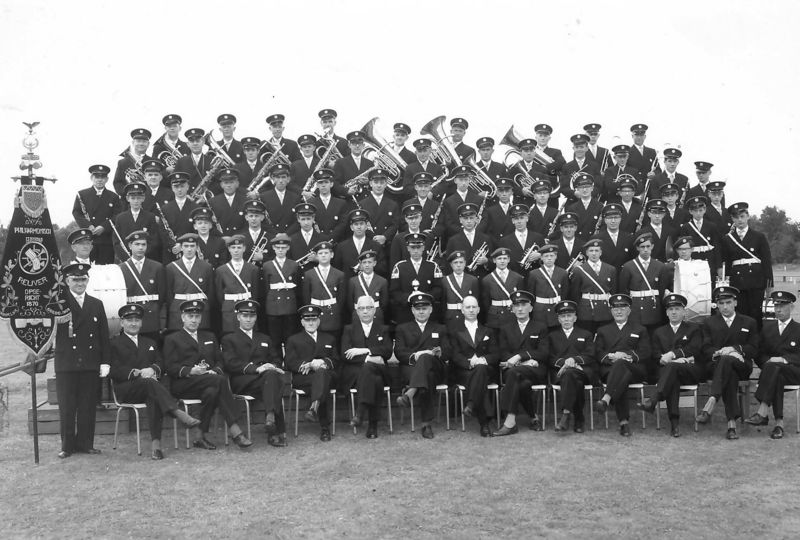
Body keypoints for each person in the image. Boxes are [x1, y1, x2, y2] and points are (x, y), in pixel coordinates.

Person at [109, 304, 201, 460]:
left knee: (153, 395)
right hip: (127, 389)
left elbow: (161, 362)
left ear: (141, 323)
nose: (133, 323)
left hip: (149, 389)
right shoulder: (113, 343)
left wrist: (152, 369)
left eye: (137, 320)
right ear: (122, 323)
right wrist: (137, 373)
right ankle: (177, 412)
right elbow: (113, 369)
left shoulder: (150, 342)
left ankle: (156, 446)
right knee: (150, 384)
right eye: (129, 320)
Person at [164, 300, 252, 449]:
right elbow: (170, 367)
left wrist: (214, 371)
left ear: (201, 318)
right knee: (219, 381)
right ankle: (235, 429)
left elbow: (220, 361)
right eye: (190, 316)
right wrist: (191, 371)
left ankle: (199, 436)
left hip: (210, 381)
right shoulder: (172, 339)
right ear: (183, 317)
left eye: (197, 316)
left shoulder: (209, 336)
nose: (194, 320)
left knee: (212, 392)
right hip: (184, 384)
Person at [53, 263, 110, 459]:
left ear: (88, 280)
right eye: (75, 279)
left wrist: (105, 362)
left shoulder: (96, 304)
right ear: (67, 281)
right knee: (67, 407)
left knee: (87, 406)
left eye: (83, 279)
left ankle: (86, 444)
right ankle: (67, 446)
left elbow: (103, 336)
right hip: (67, 363)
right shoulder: (58, 303)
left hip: (90, 362)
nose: (80, 283)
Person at [221, 300, 288, 447]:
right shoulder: (229, 339)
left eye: (251, 316)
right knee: (273, 381)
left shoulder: (264, 338)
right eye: (245, 316)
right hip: (242, 380)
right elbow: (230, 363)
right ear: (238, 317)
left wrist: (272, 366)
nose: (248, 319)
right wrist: (257, 368)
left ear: (256, 317)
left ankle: (271, 420)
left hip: (264, 380)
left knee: (272, 377)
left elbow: (276, 359)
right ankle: (275, 429)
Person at [637, 294, 704, 437]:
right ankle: (674, 424)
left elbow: (695, 349)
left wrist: (673, 355)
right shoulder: (659, 332)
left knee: (671, 369)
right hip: (667, 372)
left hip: (689, 371)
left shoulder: (694, 328)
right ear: (666, 313)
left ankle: (654, 400)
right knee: (672, 376)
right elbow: (655, 354)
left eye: (677, 309)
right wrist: (664, 360)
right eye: (671, 309)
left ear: (684, 312)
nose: (674, 312)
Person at [696, 285, 759, 439]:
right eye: (721, 303)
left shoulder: (749, 322)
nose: (725, 307)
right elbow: (705, 348)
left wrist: (734, 349)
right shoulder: (709, 322)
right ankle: (731, 425)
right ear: (717, 305)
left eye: (728, 302)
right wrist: (720, 353)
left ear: (735, 303)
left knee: (728, 362)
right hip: (717, 364)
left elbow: (754, 348)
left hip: (741, 365)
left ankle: (712, 400)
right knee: (728, 371)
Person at [394, 292, 451, 439]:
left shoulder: (440, 328)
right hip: (411, 369)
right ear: (412, 311)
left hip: (436, 368)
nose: (421, 312)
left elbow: (447, 352)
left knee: (427, 359)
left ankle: (410, 393)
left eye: (424, 308)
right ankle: (426, 424)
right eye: (418, 309)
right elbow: (399, 352)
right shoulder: (402, 328)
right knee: (427, 376)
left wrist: (434, 353)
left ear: (430, 310)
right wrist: (416, 355)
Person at [594, 294, 651, 436]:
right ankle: (624, 422)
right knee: (621, 377)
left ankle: (607, 398)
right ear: (611, 311)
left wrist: (626, 356)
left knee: (621, 368)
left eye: (623, 308)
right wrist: (612, 357)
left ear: (629, 311)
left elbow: (645, 351)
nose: (619, 311)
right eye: (615, 309)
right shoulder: (603, 330)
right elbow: (598, 352)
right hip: (610, 368)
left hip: (634, 368)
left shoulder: (640, 329)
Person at [493, 291, 550, 436]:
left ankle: (509, 421)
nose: (520, 309)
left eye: (524, 305)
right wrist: (523, 362)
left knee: (514, 374)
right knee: (521, 384)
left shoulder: (541, 327)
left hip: (535, 370)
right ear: (512, 309)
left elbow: (544, 353)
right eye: (516, 305)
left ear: (531, 308)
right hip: (514, 369)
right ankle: (532, 417)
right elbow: (503, 353)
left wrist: (520, 356)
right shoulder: (505, 328)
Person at [745, 291, 800, 439]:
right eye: (776, 306)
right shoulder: (767, 328)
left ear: (792, 307)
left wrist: (783, 359)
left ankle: (762, 412)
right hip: (773, 373)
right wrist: (768, 363)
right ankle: (779, 424)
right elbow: (759, 353)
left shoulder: (798, 329)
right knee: (776, 375)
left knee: (775, 367)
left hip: (794, 371)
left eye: (783, 306)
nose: (779, 310)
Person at [284, 305, 340, 441]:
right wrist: (309, 365)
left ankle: (314, 407)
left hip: (326, 375)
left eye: (314, 320)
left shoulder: (329, 338)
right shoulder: (293, 339)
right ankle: (324, 427)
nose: (310, 323)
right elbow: (289, 363)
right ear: (302, 322)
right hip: (304, 377)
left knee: (322, 375)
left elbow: (336, 360)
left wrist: (322, 362)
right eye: (307, 320)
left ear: (319, 321)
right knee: (322, 381)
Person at [340, 296, 393, 438]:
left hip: (379, 370)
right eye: (361, 308)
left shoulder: (383, 329)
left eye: (368, 308)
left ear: (374, 310)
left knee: (370, 372)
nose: (365, 311)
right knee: (375, 380)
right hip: (356, 375)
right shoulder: (349, 329)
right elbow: (345, 354)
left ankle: (360, 413)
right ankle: (372, 425)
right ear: (357, 311)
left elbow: (387, 351)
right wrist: (371, 357)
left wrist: (364, 350)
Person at [449, 296, 499, 437]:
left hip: (486, 369)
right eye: (468, 307)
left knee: (481, 370)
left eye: (473, 307)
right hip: (464, 371)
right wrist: (470, 363)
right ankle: (484, 423)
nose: (471, 310)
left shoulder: (488, 331)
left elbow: (496, 353)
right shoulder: (454, 331)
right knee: (479, 376)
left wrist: (483, 359)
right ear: (462, 310)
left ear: (478, 309)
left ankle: (471, 404)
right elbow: (454, 354)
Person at [548, 299, 596, 433]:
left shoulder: (586, 334)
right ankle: (579, 418)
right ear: (558, 319)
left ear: (575, 318)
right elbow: (549, 357)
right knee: (574, 380)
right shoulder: (552, 336)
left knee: (571, 375)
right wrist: (565, 364)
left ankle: (566, 415)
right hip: (560, 372)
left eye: (569, 316)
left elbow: (590, 355)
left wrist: (574, 360)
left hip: (582, 370)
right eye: (563, 316)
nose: (566, 319)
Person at [722, 202, 773, 326]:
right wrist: (726, 282)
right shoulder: (728, 239)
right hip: (737, 282)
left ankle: (757, 338)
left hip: (756, 281)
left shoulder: (759, 237)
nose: (739, 220)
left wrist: (769, 284)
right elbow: (727, 263)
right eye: (736, 217)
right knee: (740, 314)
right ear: (732, 219)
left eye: (742, 216)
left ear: (748, 216)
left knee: (756, 314)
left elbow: (766, 261)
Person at [118, 230, 166, 343]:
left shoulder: (157, 267)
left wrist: (161, 321)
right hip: (130, 318)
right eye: (137, 244)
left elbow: (162, 297)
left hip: (151, 319)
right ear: (130, 246)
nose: (140, 248)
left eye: (143, 244)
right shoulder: (121, 268)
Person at [618, 232, 668, 334]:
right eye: (642, 247)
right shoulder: (628, 266)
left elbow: (662, 289)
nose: (645, 249)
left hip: (653, 309)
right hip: (636, 310)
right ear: (637, 248)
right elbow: (624, 290)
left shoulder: (660, 266)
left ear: (652, 246)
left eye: (648, 246)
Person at [72, 164, 122, 264]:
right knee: (87, 269)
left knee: (106, 270)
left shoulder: (114, 197)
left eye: (102, 177)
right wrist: (88, 226)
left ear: (107, 179)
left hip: (106, 240)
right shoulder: (82, 194)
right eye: (97, 177)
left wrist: (104, 227)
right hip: (88, 239)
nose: (99, 180)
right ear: (92, 178)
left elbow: (117, 216)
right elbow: (77, 213)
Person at [389, 233, 443, 323]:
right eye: (413, 248)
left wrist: (425, 297)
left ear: (423, 248)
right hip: (406, 312)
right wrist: (409, 298)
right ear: (408, 248)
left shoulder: (433, 266)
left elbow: (439, 289)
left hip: (427, 313)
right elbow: (394, 291)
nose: (416, 251)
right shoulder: (399, 267)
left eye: (418, 247)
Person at [165, 233, 214, 331]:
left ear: (197, 248)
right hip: (179, 309)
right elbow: (168, 293)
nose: (189, 249)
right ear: (181, 248)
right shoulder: (171, 267)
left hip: (199, 309)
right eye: (186, 246)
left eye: (192, 246)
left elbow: (211, 293)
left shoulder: (206, 267)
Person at [214, 235, 260, 335]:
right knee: (230, 335)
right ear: (229, 249)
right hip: (230, 308)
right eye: (233, 247)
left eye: (239, 247)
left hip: (247, 306)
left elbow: (255, 292)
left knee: (248, 334)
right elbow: (219, 294)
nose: (236, 250)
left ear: (244, 249)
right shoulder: (221, 270)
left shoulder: (253, 269)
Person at [570, 238, 617, 333]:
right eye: (591, 251)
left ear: (601, 253)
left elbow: (614, 291)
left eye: (596, 250)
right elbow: (575, 294)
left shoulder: (610, 269)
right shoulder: (579, 270)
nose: (594, 253)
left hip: (605, 310)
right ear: (587, 253)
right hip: (586, 310)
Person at [302, 241, 346, 341]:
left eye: (326, 253)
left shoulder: (339, 274)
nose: (323, 255)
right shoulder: (309, 274)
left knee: (333, 340)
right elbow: (306, 297)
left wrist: (336, 310)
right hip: (315, 312)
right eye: (320, 253)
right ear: (316, 256)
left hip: (332, 313)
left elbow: (341, 297)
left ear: (332, 255)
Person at [262, 233, 300, 349]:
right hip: (273, 304)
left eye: (283, 248)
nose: (280, 250)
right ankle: (276, 358)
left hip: (289, 303)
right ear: (273, 248)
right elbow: (266, 287)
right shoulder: (267, 265)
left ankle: (289, 358)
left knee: (290, 335)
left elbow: (297, 285)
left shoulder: (294, 265)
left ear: (288, 248)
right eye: (278, 247)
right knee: (275, 337)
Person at [113, 181, 160, 262]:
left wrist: (141, 255)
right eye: (133, 198)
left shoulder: (150, 217)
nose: (136, 201)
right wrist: (126, 257)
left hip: (145, 258)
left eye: (138, 198)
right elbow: (116, 241)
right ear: (127, 199)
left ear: (143, 198)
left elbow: (154, 240)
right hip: (126, 260)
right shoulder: (120, 218)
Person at [444, 202, 493, 280]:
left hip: (481, 279)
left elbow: (493, 261)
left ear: (476, 219)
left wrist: (486, 261)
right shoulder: (453, 240)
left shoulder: (485, 238)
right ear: (460, 220)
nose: (469, 221)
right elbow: (448, 265)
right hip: (462, 281)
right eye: (465, 218)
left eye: (471, 218)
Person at [679, 195, 722, 281]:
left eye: (700, 210)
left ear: (705, 210)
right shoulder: (686, 227)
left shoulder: (711, 226)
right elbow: (684, 248)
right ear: (690, 211)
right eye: (695, 211)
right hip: (693, 262)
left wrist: (719, 266)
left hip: (709, 262)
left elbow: (717, 248)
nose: (698, 213)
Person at [526, 244, 569, 329]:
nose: (549, 258)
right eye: (546, 256)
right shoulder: (534, 274)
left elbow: (565, 293)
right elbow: (531, 294)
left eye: (552, 256)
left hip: (556, 309)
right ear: (541, 258)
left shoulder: (563, 273)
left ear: (556, 257)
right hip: (540, 311)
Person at [334, 209, 385, 280]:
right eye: (356, 224)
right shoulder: (341, 247)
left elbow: (382, 269)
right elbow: (337, 270)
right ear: (351, 227)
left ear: (366, 226)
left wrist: (366, 267)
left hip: (369, 284)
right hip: (348, 284)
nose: (359, 227)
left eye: (361, 224)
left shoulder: (376, 246)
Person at [358, 168, 401, 249]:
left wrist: (385, 237)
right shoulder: (362, 204)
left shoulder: (393, 204)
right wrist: (374, 237)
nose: (379, 185)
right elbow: (361, 224)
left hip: (387, 245)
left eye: (382, 182)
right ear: (370, 183)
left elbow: (395, 225)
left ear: (386, 184)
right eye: (376, 182)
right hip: (368, 245)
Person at [481, 247, 522, 331]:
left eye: (505, 258)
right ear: (494, 260)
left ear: (509, 260)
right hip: (495, 317)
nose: (502, 261)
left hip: (512, 316)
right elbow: (486, 302)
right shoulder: (487, 279)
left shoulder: (517, 277)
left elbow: (521, 299)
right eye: (499, 258)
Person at [160, 172, 200, 258]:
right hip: (171, 252)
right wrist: (172, 246)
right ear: (172, 188)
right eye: (176, 187)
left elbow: (197, 231)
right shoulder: (165, 208)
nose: (179, 190)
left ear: (187, 187)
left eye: (182, 186)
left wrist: (182, 245)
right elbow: (163, 231)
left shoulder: (196, 207)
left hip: (190, 250)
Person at [305, 168, 349, 242]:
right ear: (317, 185)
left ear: (331, 184)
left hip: (336, 241)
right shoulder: (310, 203)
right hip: (317, 241)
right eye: (320, 183)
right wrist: (322, 238)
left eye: (326, 182)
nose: (323, 185)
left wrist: (331, 238)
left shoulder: (341, 203)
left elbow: (343, 224)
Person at [441, 250, 480, 328]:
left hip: (468, 317)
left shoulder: (473, 280)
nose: (458, 265)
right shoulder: (445, 280)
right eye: (455, 262)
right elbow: (443, 303)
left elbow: (476, 300)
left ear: (465, 263)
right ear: (451, 264)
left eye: (461, 262)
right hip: (451, 317)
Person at [346, 250, 388, 323]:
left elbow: (384, 303)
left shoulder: (382, 281)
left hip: (376, 316)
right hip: (358, 316)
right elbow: (350, 302)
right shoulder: (353, 281)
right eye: (364, 262)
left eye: (369, 262)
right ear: (360, 264)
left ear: (374, 263)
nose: (367, 265)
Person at [261, 163, 302, 236]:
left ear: (288, 179)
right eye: (278, 177)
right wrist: (275, 234)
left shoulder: (296, 197)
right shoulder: (264, 197)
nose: (281, 180)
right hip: (271, 235)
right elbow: (263, 220)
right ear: (273, 179)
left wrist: (286, 234)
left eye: (283, 177)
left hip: (290, 235)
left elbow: (298, 220)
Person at [560, 133, 600, 204]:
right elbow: (563, 187)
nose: (579, 150)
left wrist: (588, 194)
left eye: (582, 147)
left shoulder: (594, 166)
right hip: (572, 202)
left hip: (591, 202)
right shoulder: (566, 167)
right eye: (577, 147)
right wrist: (574, 193)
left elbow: (598, 185)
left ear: (587, 148)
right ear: (573, 148)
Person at [332, 130, 373, 199]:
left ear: (363, 145)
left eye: (360, 143)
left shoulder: (370, 163)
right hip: (349, 201)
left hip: (366, 201)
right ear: (349, 145)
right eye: (354, 143)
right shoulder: (340, 162)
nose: (357, 146)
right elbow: (334, 183)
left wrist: (368, 182)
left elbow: (376, 185)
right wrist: (346, 191)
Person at [209, 168, 248, 236]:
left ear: (237, 184)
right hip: (221, 238)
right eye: (226, 183)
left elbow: (248, 224)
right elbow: (211, 225)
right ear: (221, 185)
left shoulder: (246, 201)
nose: (229, 185)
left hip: (240, 238)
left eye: (231, 182)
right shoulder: (213, 202)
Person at [113, 128, 151, 196]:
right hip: (129, 199)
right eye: (138, 141)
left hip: (148, 198)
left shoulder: (152, 161)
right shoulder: (122, 162)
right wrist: (128, 194)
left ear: (148, 144)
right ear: (133, 143)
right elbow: (117, 183)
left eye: (144, 141)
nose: (141, 144)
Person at [596, 203, 635, 270]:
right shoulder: (597, 238)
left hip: (624, 274)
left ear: (620, 219)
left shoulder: (629, 238)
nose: (613, 221)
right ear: (605, 220)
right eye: (610, 218)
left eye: (616, 217)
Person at [565, 172, 602, 239]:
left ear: (592, 188)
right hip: (578, 241)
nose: (585, 190)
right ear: (577, 189)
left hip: (594, 242)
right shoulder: (572, 208)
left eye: (587, 187)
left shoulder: (600, 206)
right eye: (582, 187)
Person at [236, 199, 270, 265]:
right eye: (251, 216)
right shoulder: (239, 237)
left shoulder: (270, 237)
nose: (253, 219)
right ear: (246, 217)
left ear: (262, 218)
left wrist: (263, 258)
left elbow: (274, 259)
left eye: (256, 216)